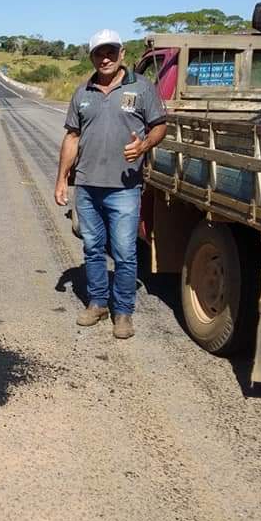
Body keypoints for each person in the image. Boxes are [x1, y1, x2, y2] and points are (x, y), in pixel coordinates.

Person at [54, 29, 167, 339]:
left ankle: (124, 313)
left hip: (124, 188)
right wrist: (62, 179)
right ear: (91, 57)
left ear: (122, 54)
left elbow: (160, 126)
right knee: (92, 248)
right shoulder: (83, 92)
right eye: (98, 53)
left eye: (110, 52)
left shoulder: (142, 88)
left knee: (124, 253)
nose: (105, 58)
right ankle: (98, 303)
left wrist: (143, 146)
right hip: (88, 186)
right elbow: (72, 137)